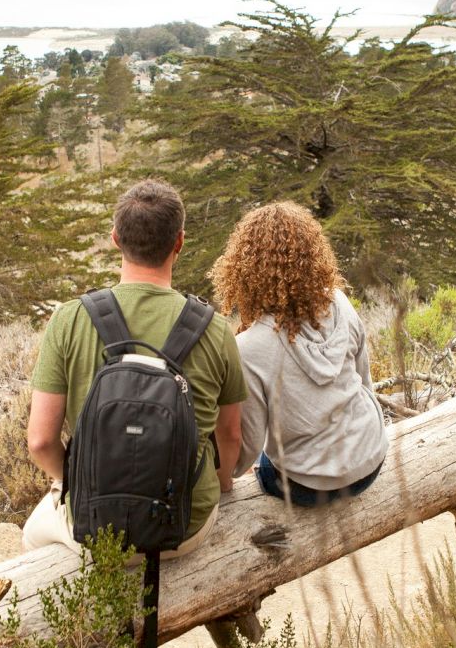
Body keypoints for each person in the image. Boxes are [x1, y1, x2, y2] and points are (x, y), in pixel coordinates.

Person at [23, 179, 246, 555]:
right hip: (186, 526)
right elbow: (231, 435)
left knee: (30, 536)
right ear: (179, 242)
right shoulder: (215, 328)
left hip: (97, 525)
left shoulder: (69, 319)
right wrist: (221, 484)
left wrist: (79, 484)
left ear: (115, 239)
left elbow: (40, 442)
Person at [211, 202, 386, 506]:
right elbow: (364, 380)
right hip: (371, 458)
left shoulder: (249, 347)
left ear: (244, 271)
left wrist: (232, 472)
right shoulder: (339, 303)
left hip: (309, 485)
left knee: (266, 465)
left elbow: (248, 442)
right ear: (313, 256)